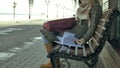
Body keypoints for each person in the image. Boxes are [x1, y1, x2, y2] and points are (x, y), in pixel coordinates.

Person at [40, 0, 102, 68]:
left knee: (46, 33)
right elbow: (77, 21)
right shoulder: (82, 4)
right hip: (73, 30)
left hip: (78, 34)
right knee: (48, 30)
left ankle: (53, 62)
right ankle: (53, 62)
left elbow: (92, 27)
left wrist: (84, 39)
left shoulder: (95, 6)